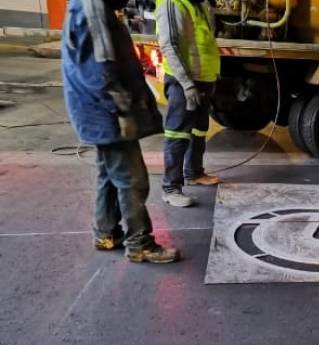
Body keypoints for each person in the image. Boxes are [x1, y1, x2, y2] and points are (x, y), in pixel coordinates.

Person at [62, 0, 179, 264]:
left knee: (109, 173)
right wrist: (123, 109)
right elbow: (100, 68)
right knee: (132, 179)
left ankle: (105, 233)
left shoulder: (89, 5)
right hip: (105, 111)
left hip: (95, 108)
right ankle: (140, 243)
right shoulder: (91, 8)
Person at [155, 0, 221, 208]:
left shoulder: (198, 3)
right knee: (178, 133)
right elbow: (169, 45)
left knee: (199, 129)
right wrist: (187, 85)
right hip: (185, 81)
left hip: (203, 78)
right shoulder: (172, 3)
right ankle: (171, 188)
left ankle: (194, 173)